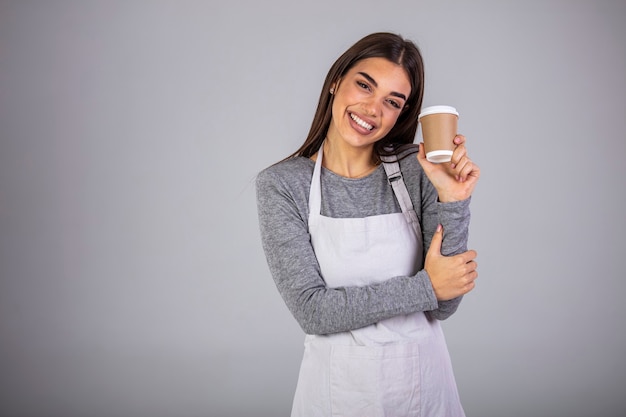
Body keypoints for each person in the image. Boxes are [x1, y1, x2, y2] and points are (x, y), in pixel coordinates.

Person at [255, 32, 480, 417]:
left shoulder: (417, 169)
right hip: (335, 397)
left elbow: (446, 301)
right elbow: (314, 312)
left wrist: (453, 199)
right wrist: (425, 286)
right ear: (334, 82)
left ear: (401, 114)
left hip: (424, 390)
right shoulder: (282, 185)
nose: (373, 109)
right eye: (364, 85)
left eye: (392, 102)